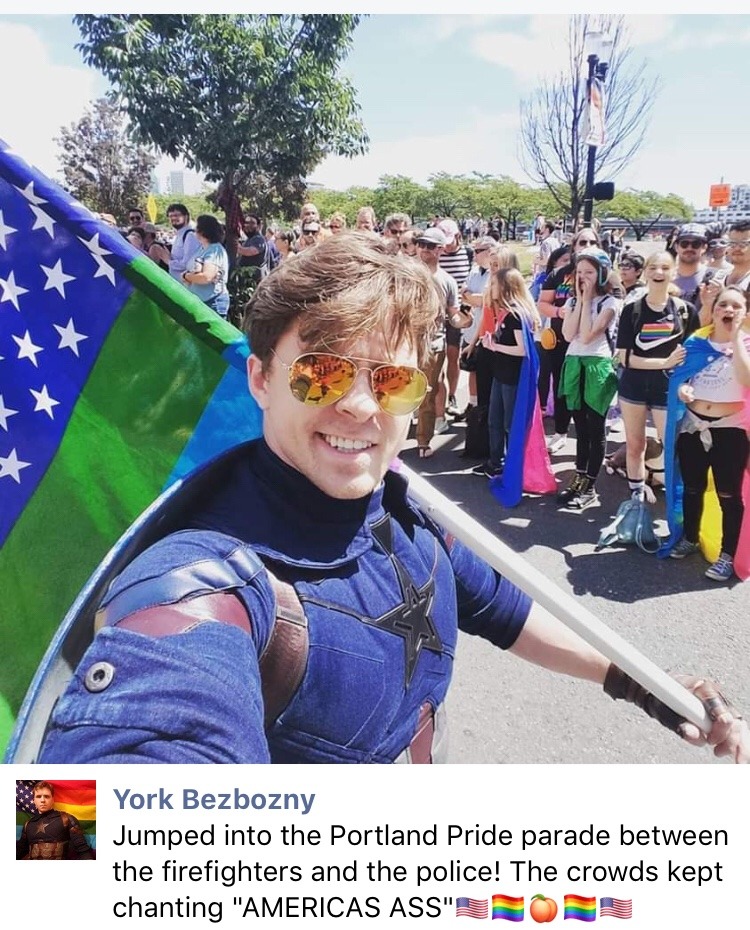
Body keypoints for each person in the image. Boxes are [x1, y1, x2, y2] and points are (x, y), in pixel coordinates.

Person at [36, 233, 749, 765]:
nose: (356, 405)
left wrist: (643, 684)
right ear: (260, 380)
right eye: (320, 373)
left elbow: (507, 609)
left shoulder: (403, 510)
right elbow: (71, 834)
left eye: (392, 382)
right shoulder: (200, 586)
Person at [662, 286, 750, 582]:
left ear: (745, 312)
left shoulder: (747, 344)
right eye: (723, 305)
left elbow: (745, 378)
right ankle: (689, 537)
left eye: (736, 306)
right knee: (692, 487)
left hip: (730, 431)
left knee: (729, 494)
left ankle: (727, 554)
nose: (729, 311)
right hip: (692, 426)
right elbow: (678, 376)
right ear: (712, 311)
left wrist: (736, 338)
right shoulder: (696, 343)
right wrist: (682, 388)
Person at [615, 252, 700, 504]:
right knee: (635, 445)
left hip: (668, 388)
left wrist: (685, 383)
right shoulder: (632, 310)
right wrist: (663, 363)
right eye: (653, 267)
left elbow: (694, 354)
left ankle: (678, 500)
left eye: (665, 268)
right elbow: (625, 358)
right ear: (646, 272)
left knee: (672, 446)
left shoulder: (685, 311)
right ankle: (636, 497)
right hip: (633, 387)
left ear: (673, 272)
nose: (659, 273)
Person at [556, 249, 621, 510]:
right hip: (574, 364)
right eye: (580, 272)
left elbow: (586, 335)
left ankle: (591, 485)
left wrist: (586, 302)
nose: (583, 277)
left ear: (602, 274)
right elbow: (569, 334)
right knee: (580, 428)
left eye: (590, 272)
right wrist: (580, 302)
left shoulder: (610, 303)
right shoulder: (572, 302)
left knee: (596, 428)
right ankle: (579, 477)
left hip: (598, 365)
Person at [537, 227, 601, 454]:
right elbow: (542, 304)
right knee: (563, 387)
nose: (586, 246)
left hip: (592, 345)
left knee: (589, 392)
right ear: (573, 246)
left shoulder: (605, 276)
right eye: (582, 242)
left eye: (591, 242)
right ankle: (560, 432)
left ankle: (591, 441)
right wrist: (559, 313)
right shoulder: (559, 274)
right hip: (560, 341)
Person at [414, 226, 461, 458]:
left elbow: (453, 313)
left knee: (426, 393)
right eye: (421, 244)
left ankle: (423, 441)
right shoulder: (408, 274)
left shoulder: (447, 281)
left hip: (434, 343)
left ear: (440, 249)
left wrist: (461, 319)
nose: (423, 249)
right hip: (405, 342)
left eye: (429, 245)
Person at [16, 782, 93, 859]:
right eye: (39, 796)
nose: (42, 800)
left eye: (46, 796)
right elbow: (19, 852)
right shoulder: (28, 824)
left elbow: (83, 850)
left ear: (53, 799)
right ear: (34, 800)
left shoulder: (67, 819)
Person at [181, 214, 230, 319]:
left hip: (212, 303)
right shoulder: (203, 249)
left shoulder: (214, 250)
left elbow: (206, 277)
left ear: (202, 231)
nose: (194, 229)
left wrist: (186, 276)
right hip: (202, 302)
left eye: (196, 227)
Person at [166, 203, 201, 283]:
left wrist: (167, 260)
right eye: (171, 216)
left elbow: (188, 264)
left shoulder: (190, 235)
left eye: (177, 215)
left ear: (186, 216)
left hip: (185, 286)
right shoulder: (180, 234)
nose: (173, 218)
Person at [236, 213, 269, 283]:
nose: (248, 225)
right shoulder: (248, 240)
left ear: (258, 226)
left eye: (252, 223)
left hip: (255, 281)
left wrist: (235, 245)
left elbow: (250, 251)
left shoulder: (259, 239)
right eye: (246, 223)